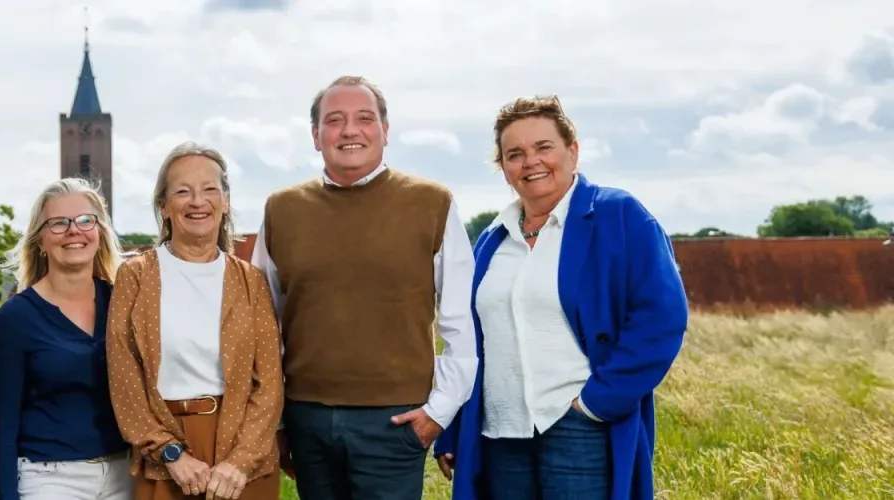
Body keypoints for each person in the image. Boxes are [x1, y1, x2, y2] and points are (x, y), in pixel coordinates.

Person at [432, 95, 688, 499]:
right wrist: (455, 427)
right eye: (515, 154)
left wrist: (595, 404)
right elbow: (470, 343)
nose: (530, 161)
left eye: (543, 147)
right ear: (504, 168)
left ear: (572, 152)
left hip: (579, 428)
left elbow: (661, 317)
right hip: (499, 433)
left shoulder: (619, 215)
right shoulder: (491, 241)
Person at [250, 75, 479, 499]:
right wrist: (278, 422)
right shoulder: (281, 210)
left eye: (364, 118)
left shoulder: (432, 203)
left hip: (395, 422)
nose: (349, 130)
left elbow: (461, 322)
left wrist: (438, 412)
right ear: (316, 135)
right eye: (334, 120)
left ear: (385, 131)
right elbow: (263, 325)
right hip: (307, 420)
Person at [107, 142, 284, 500]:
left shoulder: (251, 281)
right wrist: (169, 453)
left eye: (209, 190)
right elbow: (125, 380)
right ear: (164, 206)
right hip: (167, 458)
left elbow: (269, 383)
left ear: (225, 201)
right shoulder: (135, 277)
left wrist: (240, 462)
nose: (197, 201)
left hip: (244, 457)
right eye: (183, 191)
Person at [0, 178, 132, 500]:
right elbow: (1, 422)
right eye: (59, 223)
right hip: (49, 479)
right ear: (40, 240)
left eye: (85, 220)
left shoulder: (124, 303)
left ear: (100, 233)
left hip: (125, 476)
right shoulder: (17, 317)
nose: (73, 231)